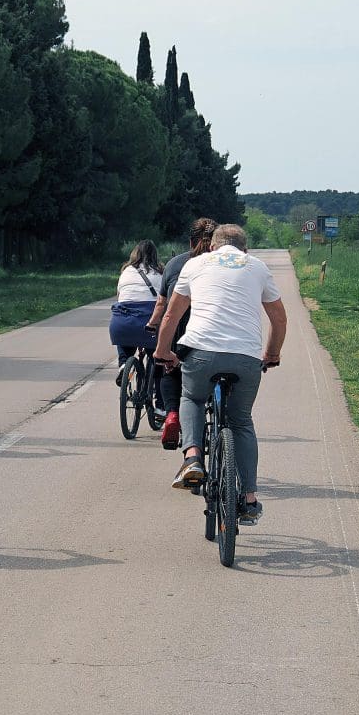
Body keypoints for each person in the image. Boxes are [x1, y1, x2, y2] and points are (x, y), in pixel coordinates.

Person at [153, 223, 287, 524]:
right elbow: (279, 320)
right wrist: (272, 354)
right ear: (245, 249)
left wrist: (163, 352)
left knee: (191, 398)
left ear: (212, 246)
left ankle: (192, 458)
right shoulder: (257, 266)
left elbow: (171, 314)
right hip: (246, 356)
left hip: (200, 352)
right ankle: (249, 499)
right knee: (241, 421)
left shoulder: (194, 264)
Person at [145, 218, 217, 448]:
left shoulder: (175, 263)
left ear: (190, 241)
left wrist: (154, 327)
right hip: (209, 326)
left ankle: (172, 414)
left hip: (178, 325)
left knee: (170, 369)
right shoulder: (223, 263)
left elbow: (162, 303)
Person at [108, 240, 163, 379]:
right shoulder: (160, 273)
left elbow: (119, 297)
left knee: (125, 343)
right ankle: (156, 384)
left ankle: (123, 364)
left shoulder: (125, 272)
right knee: (156, 359)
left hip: (123, 323)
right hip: (149, 322)